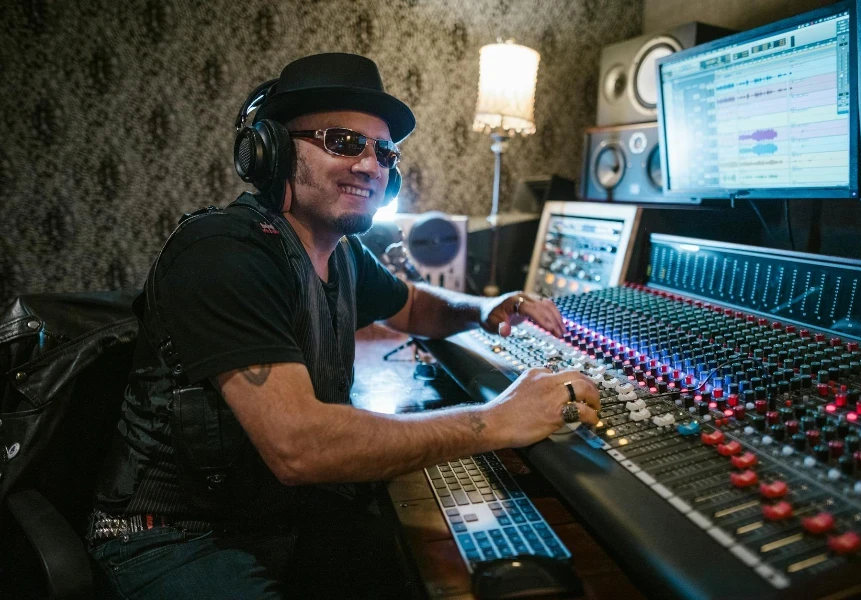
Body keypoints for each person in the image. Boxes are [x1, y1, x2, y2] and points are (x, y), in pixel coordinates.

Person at [88, 53, 600, 599]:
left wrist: (485, 307)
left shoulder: (344, 256)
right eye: (342, 142)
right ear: (272, 152)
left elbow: (415, 306)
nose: (370, 165)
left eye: (383, 151)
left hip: (278, 517)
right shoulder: (224, 253)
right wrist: (499, 419)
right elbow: (299, 446)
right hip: (169, 539)